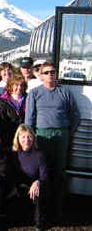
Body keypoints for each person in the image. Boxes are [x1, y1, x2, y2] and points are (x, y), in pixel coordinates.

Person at [25, 61, 80, 219]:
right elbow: (29, 118)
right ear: (41, 75)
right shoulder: (35, 93)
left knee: (59, 171)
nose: (50, 74)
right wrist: (31, 137)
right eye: (47, 72)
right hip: (41, 135)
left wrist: (68, 131)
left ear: (56, 74)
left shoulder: (65, 92)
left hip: (61, 135)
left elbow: (75, 114)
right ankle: (42, 209)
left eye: (53, 72)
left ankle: (58, 209)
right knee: (43, 171)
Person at [9, 124, 48, 231]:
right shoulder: (13, 154)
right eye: (23, 137)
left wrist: (38, 182)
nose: (26, 140)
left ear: (33, 138)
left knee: (37, 192)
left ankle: (39, 223)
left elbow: (44, 176)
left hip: (33, 187)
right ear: (18, 138)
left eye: (29, 136)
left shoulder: (39, 155)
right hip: (17, 187)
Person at [0, 74, 27, 150]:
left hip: (24, 137)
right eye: (16, 85)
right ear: (11, 86)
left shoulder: (28, 98)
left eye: (21, 85)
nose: (19, 88)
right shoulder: (3, 101)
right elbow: (1, 120)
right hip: (8, 137)